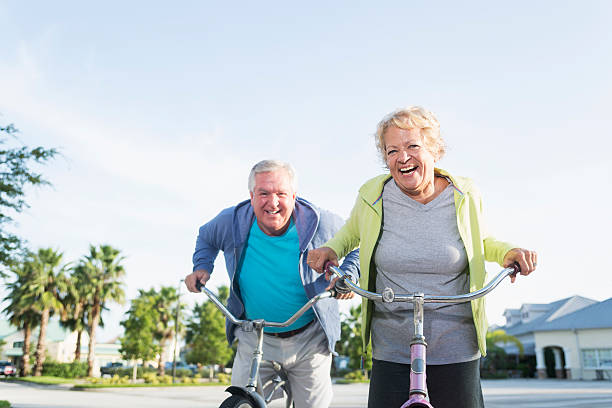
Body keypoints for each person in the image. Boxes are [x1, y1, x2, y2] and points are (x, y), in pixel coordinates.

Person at [307, 106, 538, 408]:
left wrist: (508, 252)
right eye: (392, 151)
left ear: (435, 150)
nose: (402, 157)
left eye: (412, 146)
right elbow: (351, 232)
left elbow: (481, 240)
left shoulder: (464, 193)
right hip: (391, 345)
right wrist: (331, 250)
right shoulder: (371, 194)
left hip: (455, 343)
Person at [185, 159, 359, 408]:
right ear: (251, 196)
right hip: (254, 334)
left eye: (281, 193)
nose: (273, 202)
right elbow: (206, 236)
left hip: (309, 338)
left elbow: (357, 244)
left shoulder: (321, 222)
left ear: (294, 196)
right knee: (243, 403)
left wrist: (348, 276)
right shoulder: (232, 221)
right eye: (264, 193)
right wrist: (202, 267)